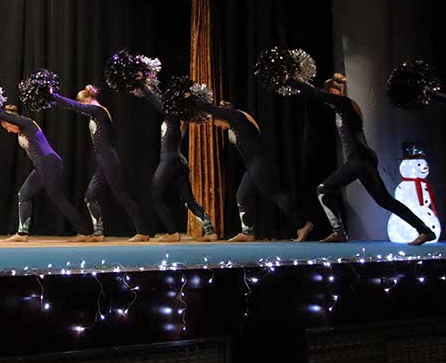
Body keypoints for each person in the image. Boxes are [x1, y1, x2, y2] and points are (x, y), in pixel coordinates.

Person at [294, 74, 436, 245]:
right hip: (356, 160)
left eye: (329, 92)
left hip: (361, 159)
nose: (327, 98)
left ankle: (425, 230)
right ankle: (338, 232)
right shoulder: (340, 109)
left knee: (383, 200)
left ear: (335, 91)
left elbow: (316, 94)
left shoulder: (345, 103)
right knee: (325, 189)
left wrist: (294, 81)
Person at [199, 100, 313, 242]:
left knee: (276, 194)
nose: (217, 126)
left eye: (216, 122)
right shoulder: (235, 124)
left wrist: (189, 98)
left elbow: (209, 108)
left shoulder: (237, 117)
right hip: (252, 164)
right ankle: (248, 233)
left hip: (260, 162)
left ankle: (302, 224)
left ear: (223, 115)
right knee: (242, 195)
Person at [0, 102, 92, 242]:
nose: (8, 131)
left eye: (7, 127)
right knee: (24, 194)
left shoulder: (26, 123)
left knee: (58, 198)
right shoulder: (22, 128)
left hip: (49, 163)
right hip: (42, 166)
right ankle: (22, 234)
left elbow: (1, 114)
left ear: (11, 121)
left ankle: (84, 232)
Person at [51, 86, 149, 242]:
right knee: (90, 197)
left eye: (82, 104)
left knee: (122, 196)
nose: (81, 109)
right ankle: (98, 233)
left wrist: (53, 95)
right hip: (102, 161)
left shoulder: (98, 110)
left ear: (87, 100)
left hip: (108, 159)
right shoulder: (95, 113)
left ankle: (143, 231)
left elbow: (73, 105)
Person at [140, 81, 217, 241]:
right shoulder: (177, 115)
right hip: (179, 161)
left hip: (169, 160)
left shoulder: (172, 115)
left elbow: (155, 101)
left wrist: (141, 84)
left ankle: (173, 232)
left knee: (154, 197)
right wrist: (154, 85)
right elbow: (163, 99)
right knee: (188, 199)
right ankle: (210, 231)